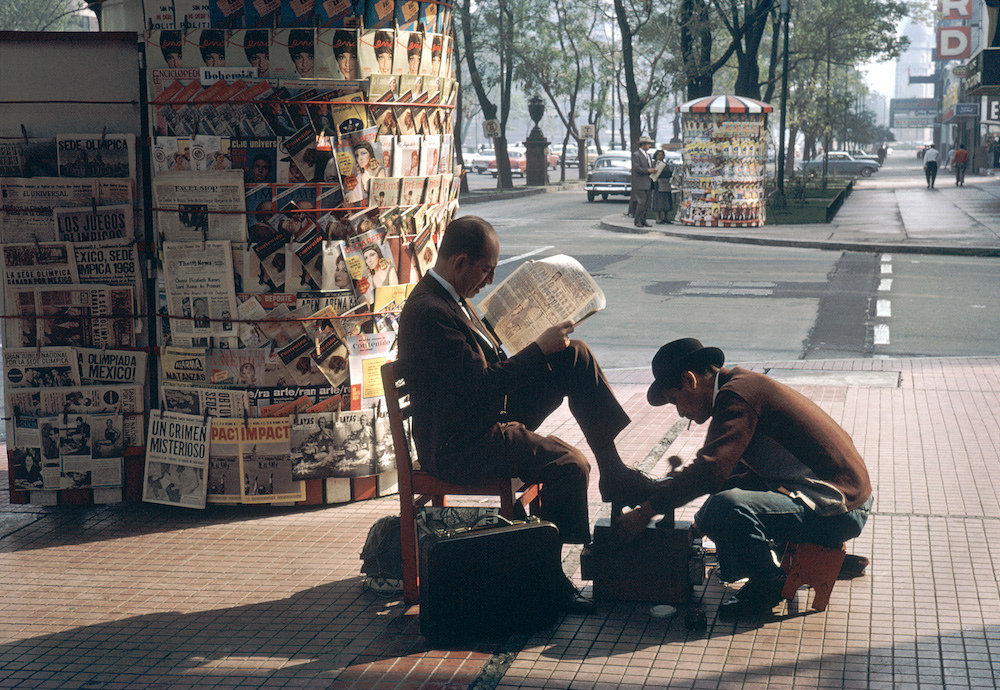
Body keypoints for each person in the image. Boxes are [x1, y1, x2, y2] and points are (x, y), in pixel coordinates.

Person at [396, 215, 656, 549]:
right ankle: (550, 576)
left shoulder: (451, 297)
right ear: (461, 262)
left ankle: (613, 469)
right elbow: (478, 387)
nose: (489, 281)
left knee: (574, 356)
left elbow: (480, 372)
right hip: (461, 444)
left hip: (479, 417)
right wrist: (537, 350)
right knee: (569, 465)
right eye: (487, 270)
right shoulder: (431, 312)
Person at [614, 338, 873, 617]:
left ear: (689, 380)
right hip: (839, 498)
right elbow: (732, 473)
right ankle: (800, 552)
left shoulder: (738, 395)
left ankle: (767, 583)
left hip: (840, 508)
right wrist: (696, 527)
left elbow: (710, 472)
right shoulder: (740, 386)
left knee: (726, 508)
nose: (680, 412)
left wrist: (646, 513)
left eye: (675, 400)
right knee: (722, 505)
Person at [631, 135, 656, 228]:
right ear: (643, 144)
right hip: (640, 183)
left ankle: (643, 219)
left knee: (646, 203)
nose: (649, 146)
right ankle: (637, 220)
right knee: (641, 202)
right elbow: (637, 168)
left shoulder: (648, 155)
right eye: (648, 144)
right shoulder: (636, 155)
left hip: (648, 183)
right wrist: (648, 170)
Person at [650, 149, 673, 225]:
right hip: (658, 184)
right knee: (658, 201)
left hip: (666, 184)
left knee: (666, 200)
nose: (661, 157)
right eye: (659, 155)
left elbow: (669, 173)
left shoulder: (665, 165)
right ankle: (658, 218)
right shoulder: (654, 164)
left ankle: (665, 217)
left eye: (662, 155)